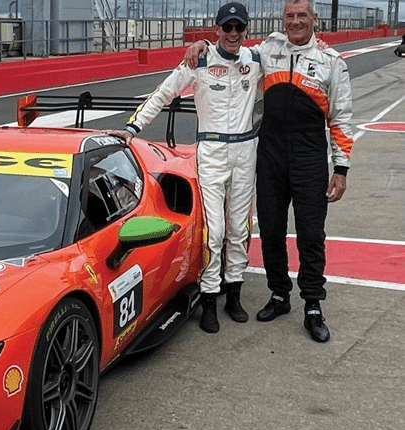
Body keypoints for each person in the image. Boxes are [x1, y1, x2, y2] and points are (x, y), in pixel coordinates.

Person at [185, 0, 354, 343]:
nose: (295, 22)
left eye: (301, 16)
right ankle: (279, 294)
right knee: (272, 231)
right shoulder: (267, 49)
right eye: (289, 16)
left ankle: (312, 305)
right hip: (270, 152)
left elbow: (342, 118)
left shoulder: (331, 62)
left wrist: (341, 168)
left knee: (310, 235)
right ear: (283, 20)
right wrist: (200, 43)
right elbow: (231, 50)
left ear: (313, 19)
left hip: (309, 155)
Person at [106, 1, 261, 334]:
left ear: (246, 30)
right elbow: (163, 94)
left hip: (246, 151)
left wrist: (315, 43)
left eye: (239, 27)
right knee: (214, 232)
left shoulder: (257, 60)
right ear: (217, 29)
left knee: (238, 229)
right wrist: (132, 129)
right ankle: (208, 298)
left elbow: (291, 44)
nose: (233, 33)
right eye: (227, 27)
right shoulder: (199, 59)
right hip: (212, 151)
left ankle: (233, 294)